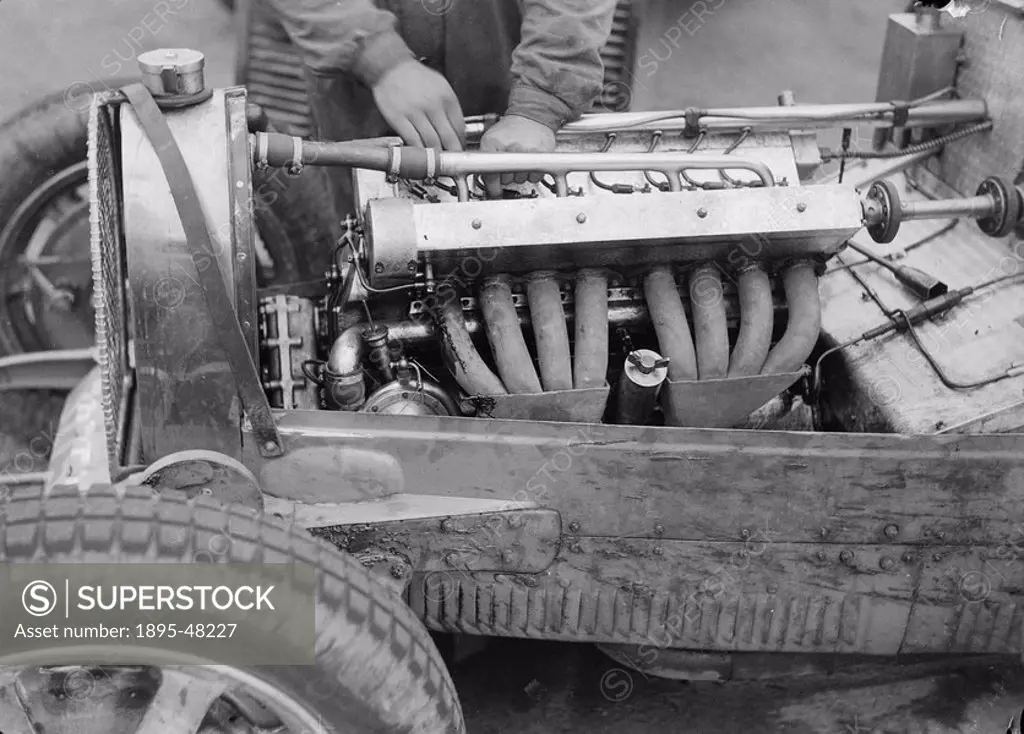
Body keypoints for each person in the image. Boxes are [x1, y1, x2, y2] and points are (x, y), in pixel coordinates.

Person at [265, 0, 619, 212]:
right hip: (363, 96)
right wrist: (378, 58)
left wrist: (539, 103)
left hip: (512, 85)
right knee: (370, 242)